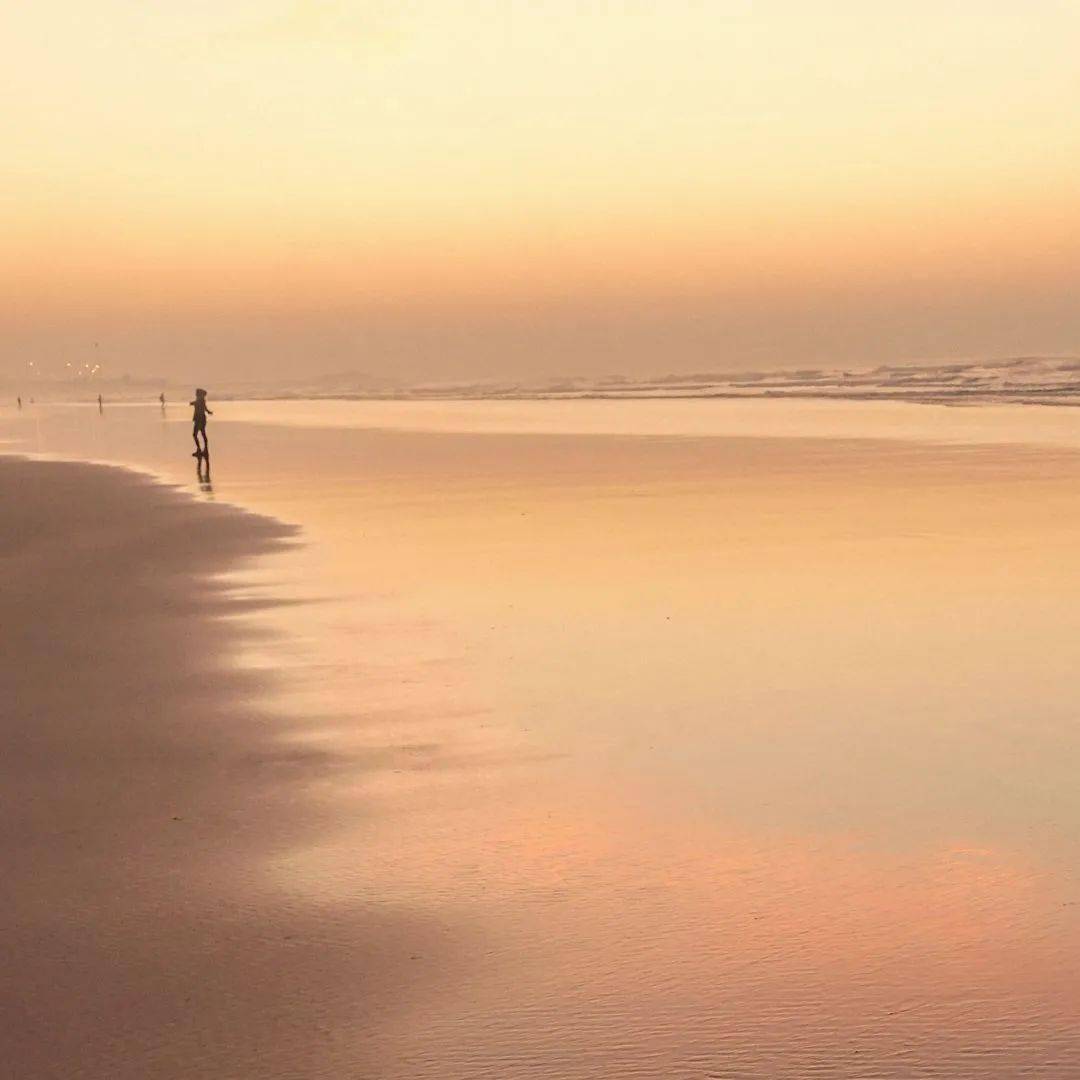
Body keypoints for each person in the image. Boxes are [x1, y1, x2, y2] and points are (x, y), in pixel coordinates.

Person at [190, 388, 212, 458]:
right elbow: (205, 408)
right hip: (201, 419)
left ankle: (201, 449)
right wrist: (209, 412)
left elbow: (199, 405)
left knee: (196, 434)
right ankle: (204, 449)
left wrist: (193, 403)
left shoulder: (200, 400)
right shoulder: (201, 400)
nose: (195, 394)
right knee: (201, 434)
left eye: (196, 393)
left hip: (200, 419)